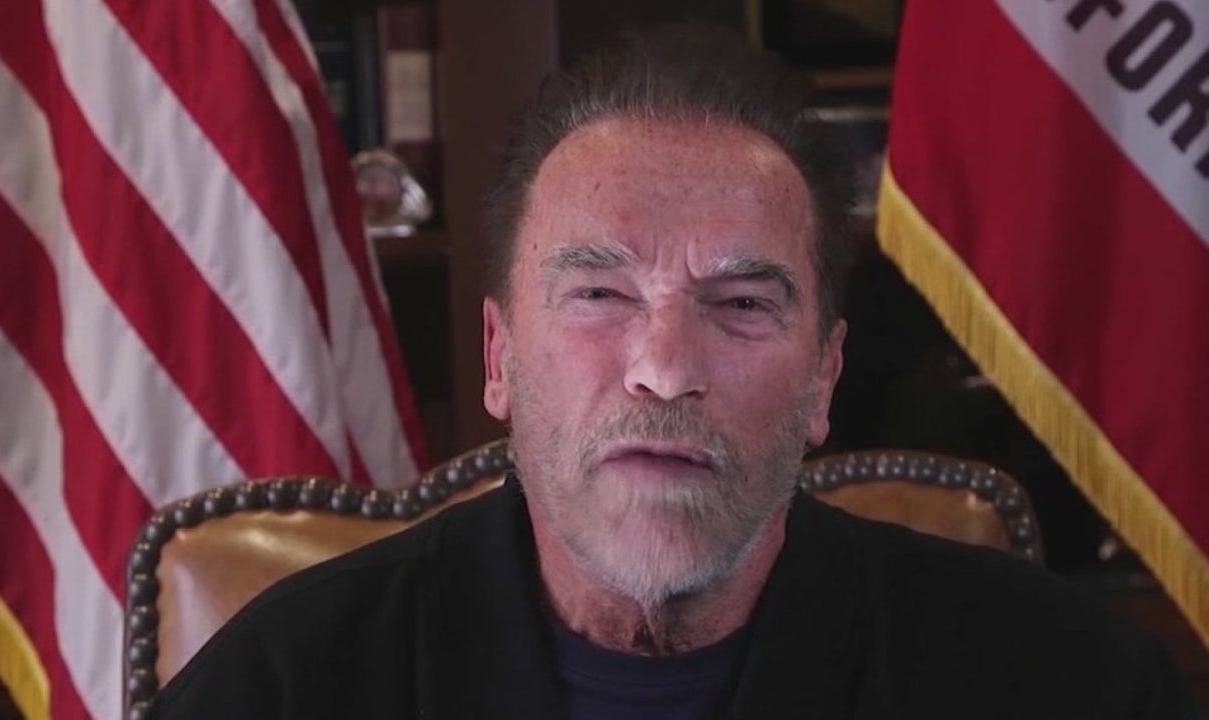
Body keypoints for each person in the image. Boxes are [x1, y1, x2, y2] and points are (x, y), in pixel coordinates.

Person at [149, 25, 1198, 720]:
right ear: (499, 358)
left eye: (740, 305)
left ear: (824, 377)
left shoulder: (1065, 686)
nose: (662, 369)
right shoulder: (284, 687)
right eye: (599, 295)